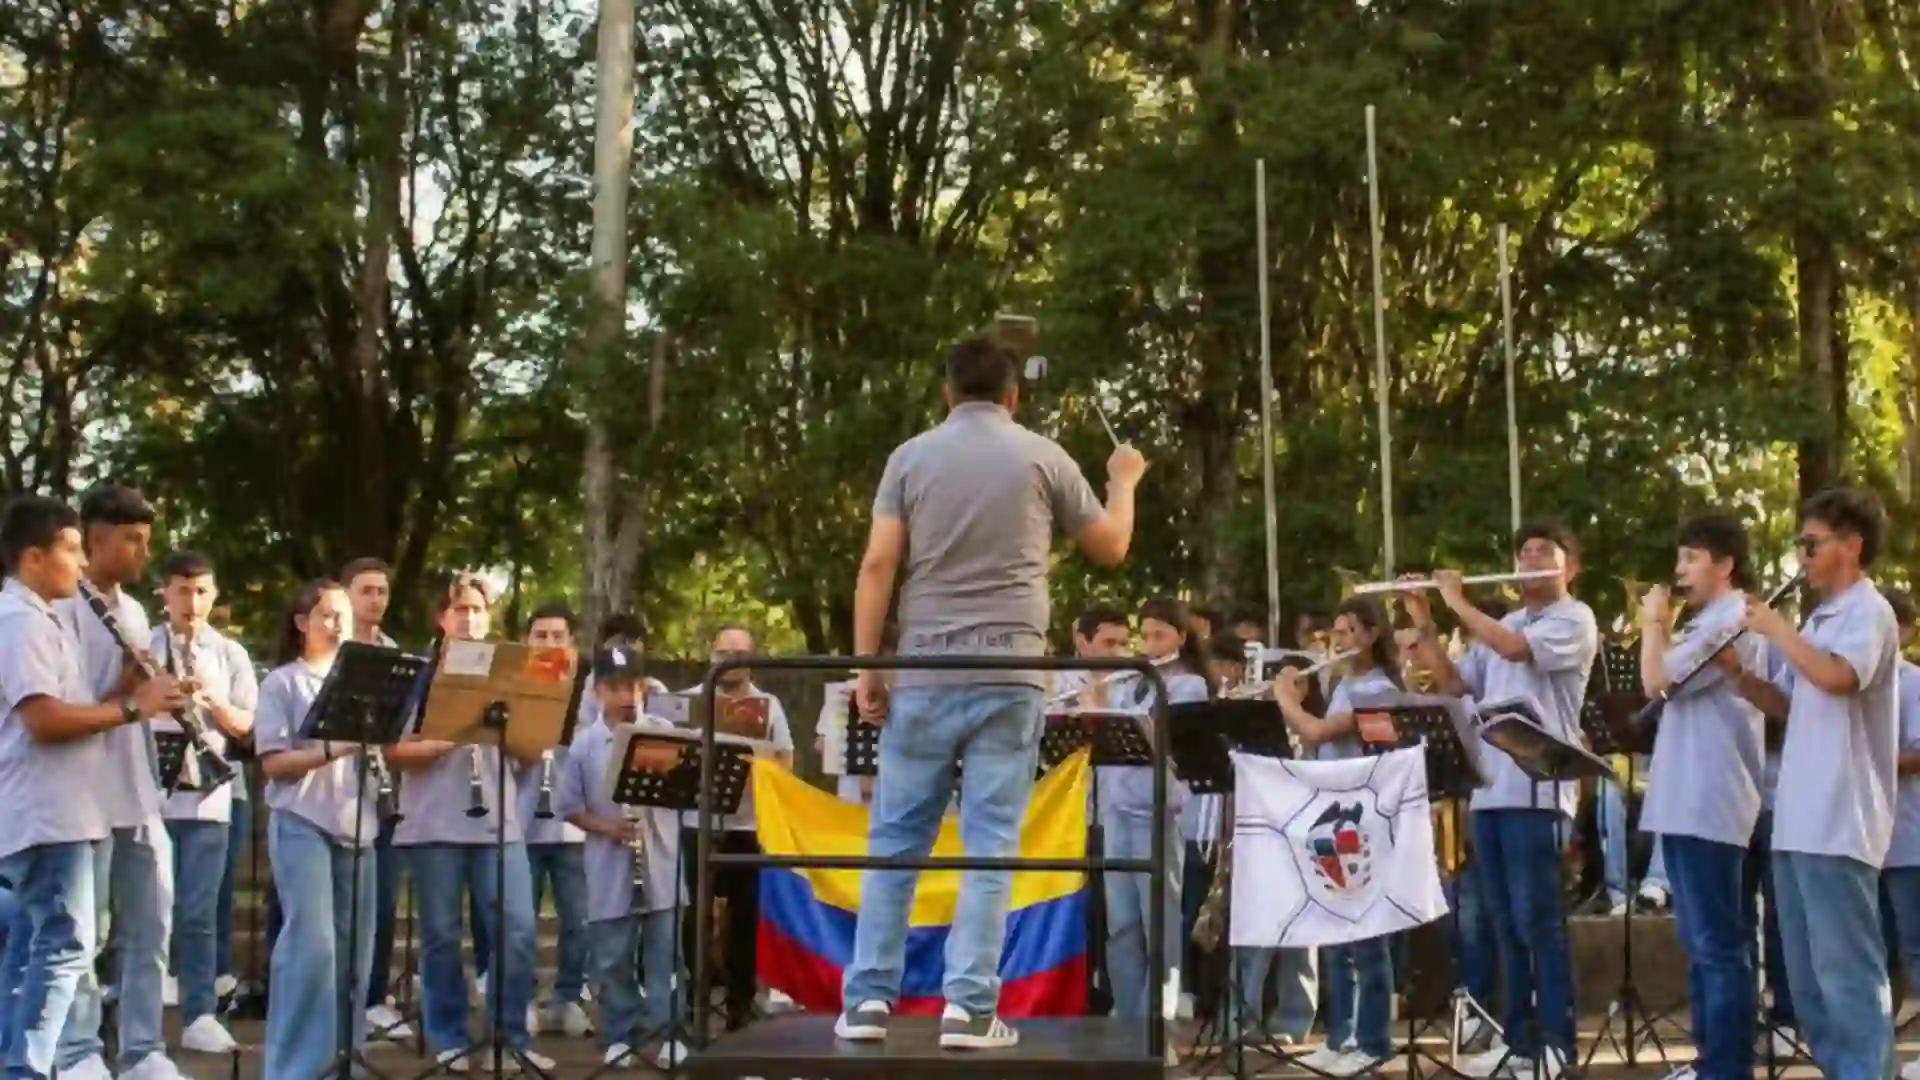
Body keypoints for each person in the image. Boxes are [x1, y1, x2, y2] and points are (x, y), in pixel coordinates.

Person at [837, 336, 1145, 1051]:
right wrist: (1124, 478)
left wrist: (868, 667)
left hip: (925, 671)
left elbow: (879, 563)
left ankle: (867, 1001)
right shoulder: (1045, 456)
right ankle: (970, 1009)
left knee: (895, 842)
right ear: (1014, 395)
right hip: (1011, 672)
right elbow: (1112, 546)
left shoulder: (909, 458)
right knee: (990, 845)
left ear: (947, 392)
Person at [1402, 520, 1599, 1080]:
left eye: (1543, 552)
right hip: (1490, 791)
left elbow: (1515, 650)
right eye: (1523, 552)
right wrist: (1424, 621)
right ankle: (1518, 1042)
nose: (1529, 559)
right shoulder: (1505, 621)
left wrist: (1457, 601)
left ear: (1570, 568)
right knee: (1505, 926)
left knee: (1539, 923)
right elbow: (1453, 684)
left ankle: (1556, 1044)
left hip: (1540, 791)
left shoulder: (1574, 618)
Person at [0, 496, 183, 1080]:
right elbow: (44, 718)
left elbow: (80, 707)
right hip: (54, 810)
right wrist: (133, 705)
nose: (80, 564)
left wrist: (131, 689)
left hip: (84, 804)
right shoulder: (26, 619)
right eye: (72, 550)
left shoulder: (46, 616)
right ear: (34, 557)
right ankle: (44, 1063)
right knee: (65, 948)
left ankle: (36, 1063)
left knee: (53, 946)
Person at [1723, 488, 1899, 1080]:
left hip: (1842, 818)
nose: (1801, 557)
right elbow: (1793, 705)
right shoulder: (1819, 619)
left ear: (1852, 545)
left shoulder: (1869, 610)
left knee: (1847, 974)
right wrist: (1739, 676)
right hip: (1798, 818)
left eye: (1811, 544)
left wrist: (1776, 630)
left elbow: (1839, 676)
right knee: (1807, 980)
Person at [385, 574, 553, 1073]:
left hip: (499, 824)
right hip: (433, 824)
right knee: (441, 935)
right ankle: (449, 1036)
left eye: (478, 609)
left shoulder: (511, 677)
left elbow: (529, 754)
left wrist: (520, 734)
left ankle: (509, 1037)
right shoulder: (419, 675)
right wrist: (445, 738)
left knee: (517, 930)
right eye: (460, 609)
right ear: (443, 618)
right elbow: (391, 750)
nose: (470, 618)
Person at [53, 485, 189, 1080]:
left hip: (138, 791)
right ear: (97, 538)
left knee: (151, 925)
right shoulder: (63, 607)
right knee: (86, 933)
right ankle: (78, 1051)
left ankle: (142, 1050)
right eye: (131, 539)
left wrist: (160, 692)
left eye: (146, 540)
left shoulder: (132, 612)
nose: (142, 552)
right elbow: (64, 709)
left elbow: (134, 701)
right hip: (83, 796)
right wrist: (131, 692)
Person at [1636, 514, 1768, 1080]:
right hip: (1687, 799)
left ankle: (1727, 1067)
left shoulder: (1733, 620)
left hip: (1711, 800)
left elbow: (1654, 682)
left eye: (1691, 558)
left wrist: (1653, 622)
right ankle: (1710, 1059)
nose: (1679, 570)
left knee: (1718, 945)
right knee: (1700, 942)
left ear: (1725, 564)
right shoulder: (1709, 621)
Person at [1270, 597, 1402, 1076]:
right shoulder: (1343, 683)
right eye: (1336, 632)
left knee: (1365, 936)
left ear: (1371, 635)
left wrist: (1286, 699)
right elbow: (1314, 740)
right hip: (1328, 816)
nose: (1337, 641)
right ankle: (1340, 1035)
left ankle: (1373, 1041)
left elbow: (1320, 732)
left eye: (1346, 632)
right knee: (1333, 935)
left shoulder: (1380, 688)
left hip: (1361, 822)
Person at [255, 580, 382, 1080]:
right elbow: (273, 764)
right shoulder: (282, 683)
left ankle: (344, 1062)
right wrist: (334, 748)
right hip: (302, 820)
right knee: (312, 948)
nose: (338, 624)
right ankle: (295, 1069)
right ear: (301, 623)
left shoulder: (366, 684)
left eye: (343, 614)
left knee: (355, 954)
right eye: (327, 615)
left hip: (359, 821)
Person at [560, 642, 687, 1071]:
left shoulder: (664, 733)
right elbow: (569, 807)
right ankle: (619, 1034)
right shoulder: (584, 744)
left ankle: (669, 1033)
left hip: (662, 862)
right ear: (598, 691)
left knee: (665, 956)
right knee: (613, 958)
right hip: (609, 866)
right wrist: (607, 827)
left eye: (632, 686)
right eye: (614, 688)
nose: (626, 696)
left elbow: (687, 792)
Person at [1087, 598, 1207, 1049]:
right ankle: (1126, 1012)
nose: (1151, 643)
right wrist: (1097, 699)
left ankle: (1159, 1013)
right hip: (1117, 809)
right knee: (1120, 920)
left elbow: (1175, 747)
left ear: (1181, 637)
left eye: (1161, 634)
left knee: (1159, 917)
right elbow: (1106, 736)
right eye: (1147, 634)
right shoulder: (1130, 681)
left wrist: (1138, 723)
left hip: (1159, 811)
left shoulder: (1190, 684)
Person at [152, 551, 258, 1055]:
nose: (191, 602)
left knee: (198, 911)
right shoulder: (143, 645)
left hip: (209, 800)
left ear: (213, 596)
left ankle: (199, 1013)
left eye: (200, 592)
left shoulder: (230, 654)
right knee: (148, 911)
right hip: (151, 796)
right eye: (182, 590)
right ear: (165, 593)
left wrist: (211, 699)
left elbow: (248, 726)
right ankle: (138, 1020)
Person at [680, 624, 792, 1031]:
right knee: (696, 913)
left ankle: (740, 1004)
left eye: (739, 654)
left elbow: (786, 759)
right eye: (723, 653)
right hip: (696, 822)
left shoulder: (769, 705)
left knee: (745, 916)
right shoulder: (688, 701)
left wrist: (763, 774)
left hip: (747, 824)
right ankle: (695, 999)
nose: (730, 661)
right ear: (711, 654)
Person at [341, 556, 413, 1041]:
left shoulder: (395, 655)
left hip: (382, 789)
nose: (375, 600)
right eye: (365, 590)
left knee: (382, 900)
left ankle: (372, 997)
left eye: (381, 591)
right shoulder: (333, 648)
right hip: (331, 790)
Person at [515, 603, 593, 1039]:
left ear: (571, 644)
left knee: (579, 922)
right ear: (526, 642)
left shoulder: (587, 691)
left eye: (557, 636)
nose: (548, 644)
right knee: (521, 923)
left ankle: (568, 998)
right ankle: (523, 999)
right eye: (540, 636)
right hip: (522, 824)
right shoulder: (512, 687)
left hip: (573, 827)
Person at [1876, 588, 1920, 1080]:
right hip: (1866, 841)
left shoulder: (1913, 683)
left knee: (1917, 948)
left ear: (1905, 631)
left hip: (1909, 839)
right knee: (1878, 954)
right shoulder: (1858, 683)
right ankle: (1880, 1055)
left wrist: (1866, 757)